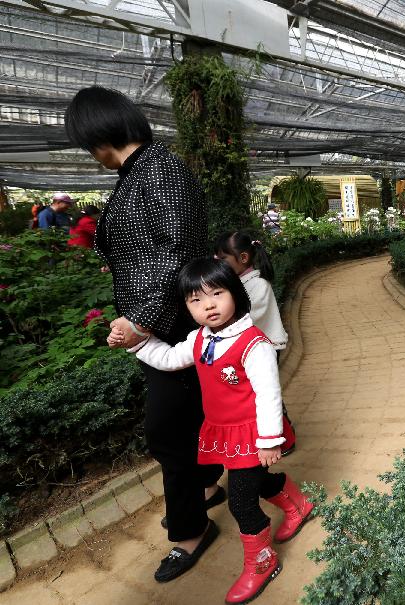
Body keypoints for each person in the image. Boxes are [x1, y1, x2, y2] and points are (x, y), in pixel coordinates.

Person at [65, 85, 223, 583]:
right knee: (191, 419)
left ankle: (190, 533)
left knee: (167, 432)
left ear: (99, 132)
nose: (88, 153)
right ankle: (205, 487)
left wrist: (143, 321)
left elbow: (179, 251)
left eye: (85, 141)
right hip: (155, 325)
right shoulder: (138, 172)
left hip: (171, 327)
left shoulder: (160, 168)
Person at [120, 258, 313, 605]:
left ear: (235, 293)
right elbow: (167, 359)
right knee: (249, 482)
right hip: (224, 433)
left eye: (217, 293)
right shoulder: (198, 339)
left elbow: (269, 394)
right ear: (186, 307)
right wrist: (136, 343)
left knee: (241, 500)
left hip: (254, 434)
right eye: (195, 300)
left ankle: (262, 560)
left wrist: (270, 440)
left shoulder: (254, 344)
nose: (208, 305)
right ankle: (296, 501)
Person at [214, 230, 295, 456]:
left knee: (266, 394)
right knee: (262, 394)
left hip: (265, 348)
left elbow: (244, 316)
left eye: (222, 259)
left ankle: (284, 439)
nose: (218, 263)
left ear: (243, 258)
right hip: (251, 349)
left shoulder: (258, 285)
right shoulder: (239, 282)